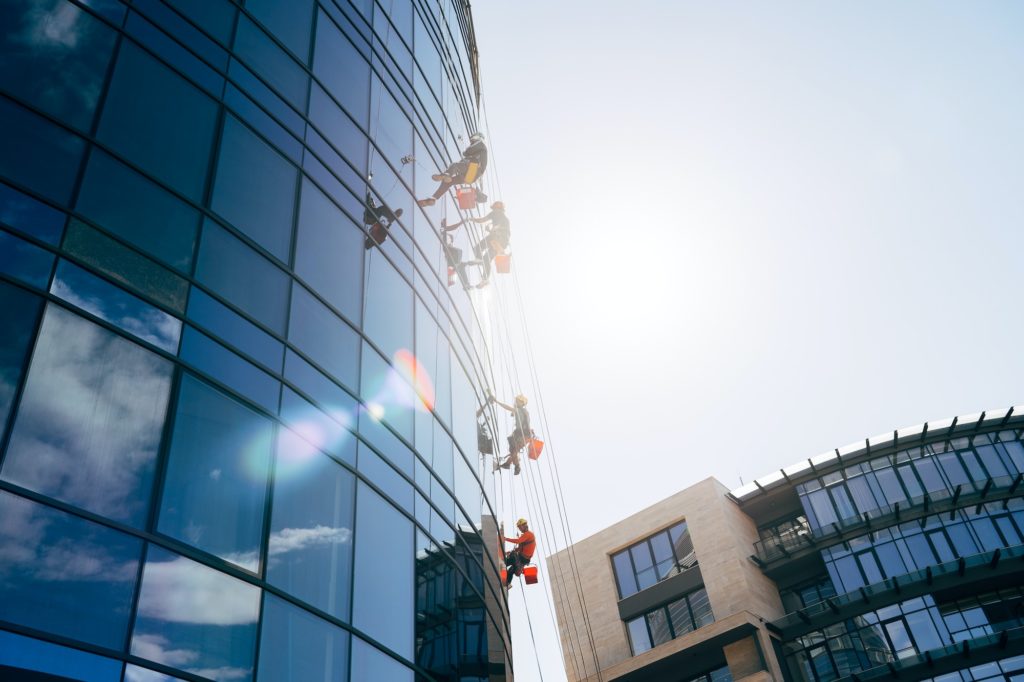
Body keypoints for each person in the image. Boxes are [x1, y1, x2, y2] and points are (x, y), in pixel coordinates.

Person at [444, 201, 510, 288]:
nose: (495, 208)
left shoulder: (499, 215)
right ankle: (485, 279)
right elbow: (482, 220)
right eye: (495, 207)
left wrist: (492, 228)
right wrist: (472, 220)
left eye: (496, 206)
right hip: (499, 241)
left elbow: (498, 224)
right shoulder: (495, 214)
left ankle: (480, 259)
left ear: (499, 208)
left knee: (479, 248)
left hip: (498, 239)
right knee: (486, 258)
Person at [417, 132, 488, 207]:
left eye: (472, 139)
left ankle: (446, 174)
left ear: (477, 137)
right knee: (447, 182)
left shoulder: (481, 144)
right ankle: (434, 198)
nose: (471, 141)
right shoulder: (481, 151)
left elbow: (467, 152)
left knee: (454, 166)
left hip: (473, 167)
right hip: (470, 177)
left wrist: (466, 152)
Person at [491, 392, 530, 475]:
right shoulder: (524, 412)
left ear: (521, 402)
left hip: (521, 435)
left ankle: (516, 466)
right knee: (514, 451)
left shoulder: (519, 410)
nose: (515, 402)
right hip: (526, 435)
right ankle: (508, 463)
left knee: (513, 449)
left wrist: (496, 401)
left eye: (517, 401)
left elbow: (508, 408)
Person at [501, 518, 536, 587]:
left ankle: (503, 563)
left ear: (524, 525)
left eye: (520, 527)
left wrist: (505, 539)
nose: (520, 529)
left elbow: (518, 541)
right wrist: (509, 552)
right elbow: (519, 549)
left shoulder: (529, 534)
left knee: (513, 555)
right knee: (510, 571)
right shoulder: (524, 536)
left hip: (523, 559)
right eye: (519, 527)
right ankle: (507, 584)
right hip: (522, 559)